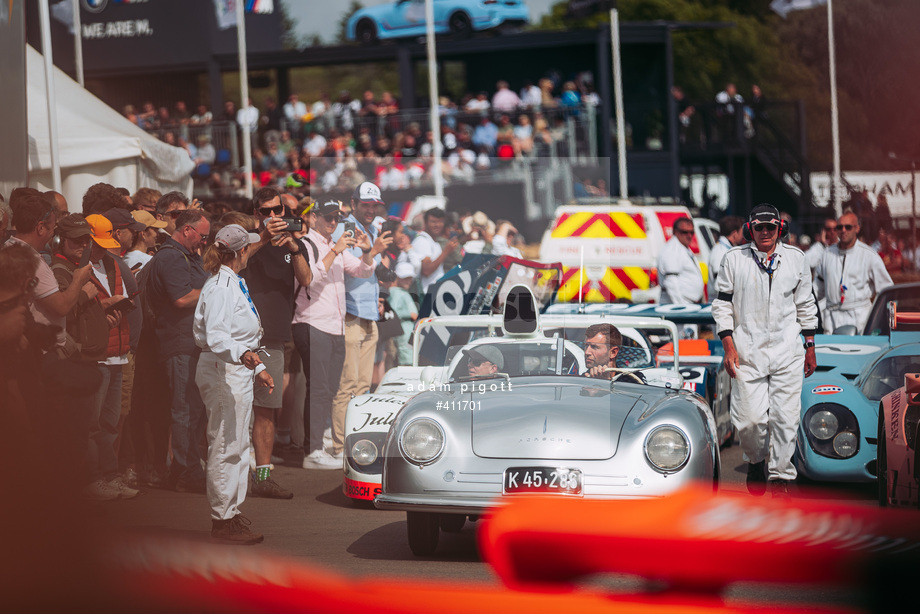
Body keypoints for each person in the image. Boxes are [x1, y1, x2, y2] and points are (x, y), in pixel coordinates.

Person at [712, 204, 818, 499]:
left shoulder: (797, 258)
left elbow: (806, 305)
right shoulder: (734, 259)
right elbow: (722, 305)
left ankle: (780, 478)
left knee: (785, 419)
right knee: (749, 421)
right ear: (750, 229)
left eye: (770, 227)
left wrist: (810, 347)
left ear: (780, 228)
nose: (765, 232)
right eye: (759, 227)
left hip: (787, 350)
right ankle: (756, 461)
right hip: (748, 352)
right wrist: (728, 345)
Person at [194, 224, 272, 545]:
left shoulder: (229, 282)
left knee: (237, 443)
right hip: (223, 367)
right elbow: (217, 336)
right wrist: (245, 355)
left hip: (233, 367)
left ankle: (230, 514)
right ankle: (223, 520)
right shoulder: (222, 286)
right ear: (241, 252)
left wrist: (257, 365)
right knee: (227, 444)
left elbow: (239, 336)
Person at [293, 200, 374, 469]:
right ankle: (312, 450)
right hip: (311, 322)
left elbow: (362, 271)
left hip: (335, 326)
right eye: (328, 217)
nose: (333, 222)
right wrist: (336, 250)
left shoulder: (334, 245)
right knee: (317, 389)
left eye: (336, 218)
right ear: (313, 217)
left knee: (328, 390)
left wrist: (368, 251)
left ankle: (317, 446)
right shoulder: (306, 243)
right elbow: (310, 279)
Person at [242, 188, 312, 499]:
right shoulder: (246, 238)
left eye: (277, 210)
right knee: (232, 408)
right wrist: (263, 238)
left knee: (266, 411)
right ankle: (228, 473)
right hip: (239, 336)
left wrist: (295, 248)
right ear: (256, 213)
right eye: (265, 211)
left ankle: (264, 475)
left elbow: (307, 280)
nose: (273, 217)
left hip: (272, 336)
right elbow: (236, 262)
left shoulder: (294, 242)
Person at [145, 208, 211, 492]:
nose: (204, 242)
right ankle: (186, 473)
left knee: (192, 410)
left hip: (190, 344)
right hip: (178, 344)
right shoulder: (172, 256)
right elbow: (182, 299)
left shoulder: (187, 255)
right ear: (187, 230)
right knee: (184, 409)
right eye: (202, 236)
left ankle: (188, 468)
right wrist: (214, 287)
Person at [328, 183, 394, 460]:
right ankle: (340, 447)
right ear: (353, 203)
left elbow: (370, 271)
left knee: (364, 386)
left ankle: (356, 445)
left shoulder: (371, 229)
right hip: (351, 314)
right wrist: (375, 251)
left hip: (368, 314)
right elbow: (354, 270)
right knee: (348, 385)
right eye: (365, 203)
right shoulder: (345, 229)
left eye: (373, 204)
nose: (370, 208)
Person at [815, 211, 892, 333]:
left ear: (857, 228)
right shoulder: (827, 254)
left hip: (859, 322)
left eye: (848, 227)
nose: (843, 230)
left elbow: (886, 290)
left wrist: (880, 320)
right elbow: (817, 290)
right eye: (839, 227)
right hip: (831, 322)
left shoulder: (869, 255)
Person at [412, 208, 460, 295]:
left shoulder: (434, 242)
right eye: (433, 222)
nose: (437, 225)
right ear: (425, 223)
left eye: (440, 221)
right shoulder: (422, 241)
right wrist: (446, 252)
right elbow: (426, 271)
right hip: (427, 295)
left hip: (437, 293)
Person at [658, 218, 703, 304]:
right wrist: (681, 307)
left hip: (687, 303)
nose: (689, 235)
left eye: (692, 232)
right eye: (684, 232)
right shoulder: (672, 250)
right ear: (675, 232)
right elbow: (671, 282)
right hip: (677, 305)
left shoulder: (684, 248)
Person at [708, 216, 744, 298]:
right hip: (721, 304)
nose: (742, 236)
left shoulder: (725, 249)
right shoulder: (720, 252)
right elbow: (719, 284)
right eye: (741, 232)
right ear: (735, 233)